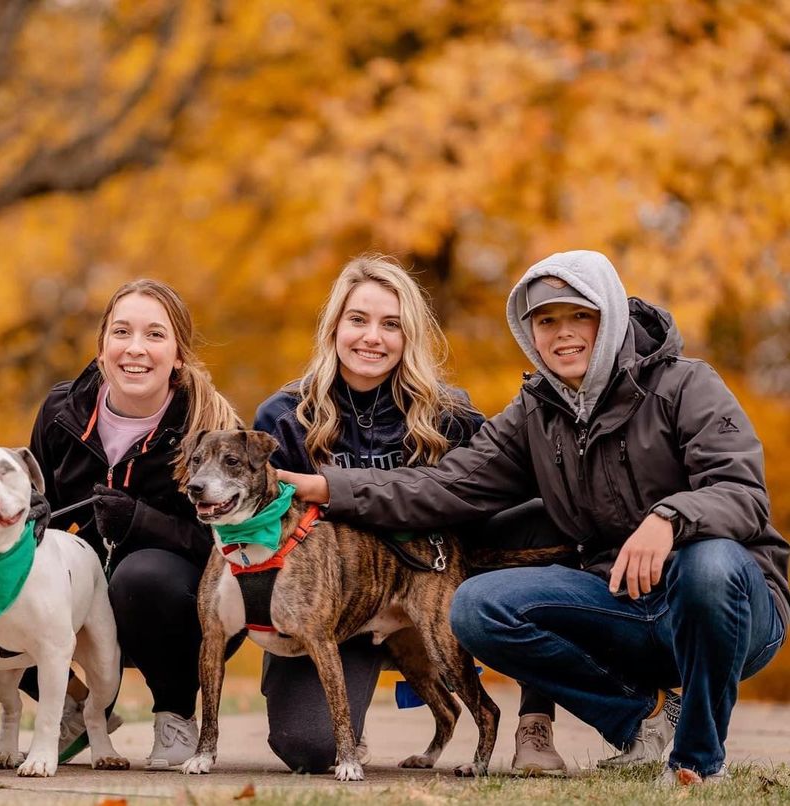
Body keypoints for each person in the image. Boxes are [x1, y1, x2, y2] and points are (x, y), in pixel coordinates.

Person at [280, 250, 789, 785]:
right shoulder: (535, 413)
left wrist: (669, 518)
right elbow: (443, 486)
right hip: (619, 603)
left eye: (579, 317)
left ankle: (698, 761)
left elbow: (743, 495)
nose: (562, 334)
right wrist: (327, 487)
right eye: (546, 320)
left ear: (609, 318)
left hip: (728, 610)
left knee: (709, 564)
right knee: (477, 606)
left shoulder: (686, 385)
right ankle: (644, 719)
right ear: (530, 333)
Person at [255, 254, 573, 775]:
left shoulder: (451, 414)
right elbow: (261, 535)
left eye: (391, 325)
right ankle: (346, 707)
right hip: (335, 610)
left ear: (411, 337)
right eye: (357, 319)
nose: (371, 337)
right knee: (308, 748)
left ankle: (534, 721)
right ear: (334, 326)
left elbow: (498, 497)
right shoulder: (284, 417)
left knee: (547, 523)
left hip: (437, 586)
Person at [28, 278, 241, 769]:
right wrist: (29, 512)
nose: (136, 349)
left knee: (143, 575)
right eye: (122, 332)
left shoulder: (207, 427)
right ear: (102, 347)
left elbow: (225, 546)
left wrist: (140, 521)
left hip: (177, 599)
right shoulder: (61, 412)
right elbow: (38, 508)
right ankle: (76, 705)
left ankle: (175, 714)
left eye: (155, 335)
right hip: (82, 581)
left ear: (179, 355)